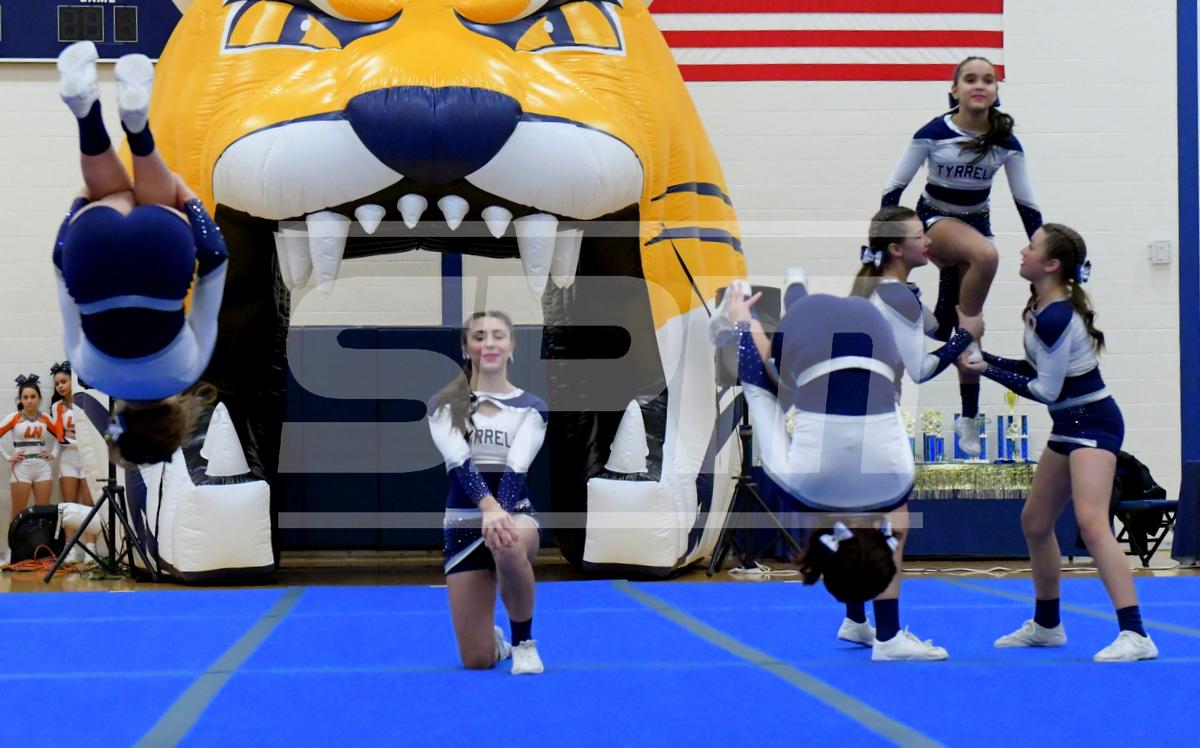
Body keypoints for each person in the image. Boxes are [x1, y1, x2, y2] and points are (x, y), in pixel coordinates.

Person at [720, 277, 950, 661]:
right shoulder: (798, 485)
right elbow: (756, 384)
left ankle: (864, 625)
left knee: (876, 506)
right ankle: (885, 636)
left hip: (868, 330)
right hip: (816, 333)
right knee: (835, 497)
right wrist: (743, 320)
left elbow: (890, 400)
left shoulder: (898, 478)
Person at [957, 224, 1157, 662]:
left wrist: (986, 370)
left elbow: (1045, 389)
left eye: (1031, 247)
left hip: (1094, 423)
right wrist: (984, 359)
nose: (1022, 251)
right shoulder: (1039, 305)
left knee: (1092, 523)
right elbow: (1036, 370)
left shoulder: (1057, 316)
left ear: (1051, 265)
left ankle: (1136, 633)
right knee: (1035, 521)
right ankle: (1047, 625)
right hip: (1069, 424)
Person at [53, 41, 227, 466]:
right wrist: (77, 212)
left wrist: (190, 203)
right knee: (110, 194)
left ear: (174, 423)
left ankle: (138, 129)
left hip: (160, 255)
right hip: (91, 254)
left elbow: (215, 258)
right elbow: (61, 271)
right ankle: (86, 113)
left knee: (158, 200)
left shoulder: (189, 370)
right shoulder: (89, 373)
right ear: (121, 423)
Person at [882, 56, 1043, 455]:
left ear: (996, 92)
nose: (979, 85)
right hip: (934, 220)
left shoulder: (1005, 142)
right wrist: (885, 238)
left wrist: (1046, 252)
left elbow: (1026, 204)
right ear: (954, 90)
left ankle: (968, 414)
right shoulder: (934, 133)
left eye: (988, 80)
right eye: (970, 79)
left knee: (959, 325)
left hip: (976, 223)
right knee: (986, 258)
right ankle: (965, 336)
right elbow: (893, 188)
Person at [428, 311, 547, 674]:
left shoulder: (532, 407)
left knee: (507, 544)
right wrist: (487, 509)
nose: (490, 343)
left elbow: (517, 465)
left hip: (515, 514)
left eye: (498, 336)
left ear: (512, 347)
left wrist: (499, 514)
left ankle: (524, 643)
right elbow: (459, 462)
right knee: (476, 661)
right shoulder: (443, 404)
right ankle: (496, 642)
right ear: (466, 348)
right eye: (479, 337)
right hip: (463, 524)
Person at [1, 376, 64, 533]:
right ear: (20, 400)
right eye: (26, 397)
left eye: (33, 396)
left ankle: (40, 546)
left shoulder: (45, 418)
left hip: (43, 469)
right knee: (18, 514)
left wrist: (53, 453)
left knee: (42, 514)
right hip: (21, 469)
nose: (29, 400)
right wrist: (8, 457)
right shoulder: (14, 418)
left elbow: (60, 436)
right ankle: (14, 546)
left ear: (39, 398)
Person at [49, 361, 93, 507]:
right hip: (68, 461)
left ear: (73, 380)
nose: (60, 386)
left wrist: (74, 435)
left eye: (63, 381)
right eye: (57, 384)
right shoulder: (57, 406)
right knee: (69, 508)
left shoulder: (87, 401)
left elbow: (94, 434)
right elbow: (60, 438)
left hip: (88, 458)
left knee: (90, 508)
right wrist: (80, 438)